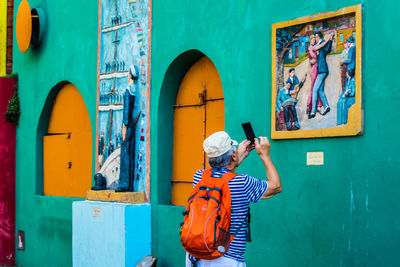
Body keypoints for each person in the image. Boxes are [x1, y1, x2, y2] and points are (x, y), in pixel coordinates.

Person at [185, 131, 281, 266]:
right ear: (232, 155)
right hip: (226, 258)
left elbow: (221, 175)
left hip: (196, 255)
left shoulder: (199, 177)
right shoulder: (242, 182)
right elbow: (276, 186)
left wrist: (234, 159)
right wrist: (264, 155)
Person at [116, 65, 140, 192]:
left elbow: (126, 111)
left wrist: (124, 127)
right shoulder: (135, 90)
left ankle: (124, 184)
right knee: (130, 153)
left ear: (130, 74)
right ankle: (129, 184)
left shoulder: (127, 90)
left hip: (127, 124)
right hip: (132, 123)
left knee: (125, 154)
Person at [309, 31, 333, 119]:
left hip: (322, 69)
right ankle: (326, 106)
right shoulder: (316, 46)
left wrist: (329, 39)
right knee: (320, 91)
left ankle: (313, 111)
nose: (314, 38)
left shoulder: (321, 43)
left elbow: (327, 49)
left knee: (315, 89)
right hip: (320, 70)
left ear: (318, 37)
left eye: (315, 36)